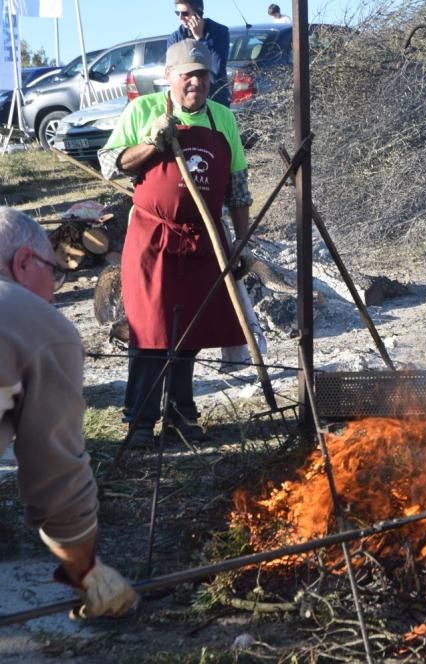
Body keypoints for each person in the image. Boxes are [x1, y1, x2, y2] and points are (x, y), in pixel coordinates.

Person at [98, 40, 251, 447]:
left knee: (189, 333)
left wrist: (242, 241)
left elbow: (238, 188)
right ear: (169, 77)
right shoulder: (143, 110)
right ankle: (141, 421)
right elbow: (109, 164)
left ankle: (182, 415)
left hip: (204, 242)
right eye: (187, 76)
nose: (195, 83)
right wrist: (151, 144)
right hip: (153, 238)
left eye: (201, 75)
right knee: (149, 331)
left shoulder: (222, 120)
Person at [0, 207, 138, 618]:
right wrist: (87, 571)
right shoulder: (32, 321)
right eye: (53, 271)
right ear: (24, 261)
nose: (56, 289)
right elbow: (54, 473)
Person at [167, 0, 231, 107]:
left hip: (215, 99)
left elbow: (215, 69)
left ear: (198, 13)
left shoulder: (219, 32)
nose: (180, 18)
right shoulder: (176, 38)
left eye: (185, 13)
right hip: (187, 101)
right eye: (178, 13)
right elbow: (173, 72)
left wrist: (200, 39)